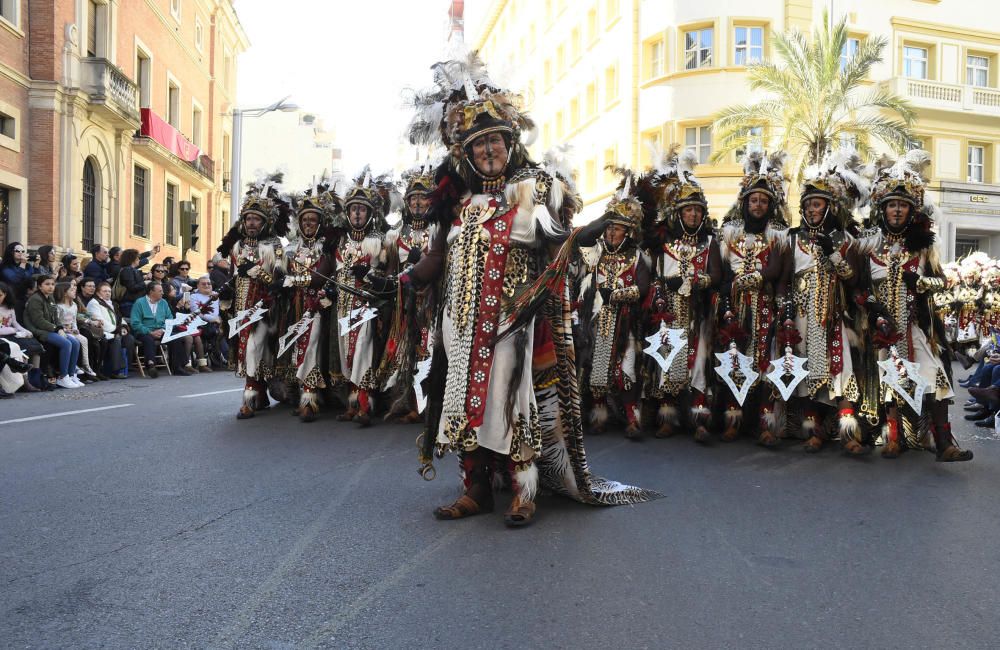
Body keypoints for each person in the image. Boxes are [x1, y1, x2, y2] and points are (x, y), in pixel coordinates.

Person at [403, 53, 657, 526]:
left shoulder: (531, 191)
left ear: (509, 143)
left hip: (510, 322)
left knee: (508, 403)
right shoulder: (457, 203)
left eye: (494, 141)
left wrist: (593, 227)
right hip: (459, 326)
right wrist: (408, 278)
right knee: (461, 403)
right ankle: (474, 488)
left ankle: (524, 492)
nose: (487, 151)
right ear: (466, 154)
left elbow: (559, 241)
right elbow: (437, 257)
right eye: (478, 146)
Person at [856, 150, 972, 462]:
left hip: (917, 328)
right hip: (881, 331)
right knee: (888, 381)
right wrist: (875, 314)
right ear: (883, 209)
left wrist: (920, 283)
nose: (896, 211)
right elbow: (860, 290)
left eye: (903, 206)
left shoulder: (923, 248)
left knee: (935, 378)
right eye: (892, 205)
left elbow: (941, 281)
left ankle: (944, 442)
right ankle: (892, 437)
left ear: (911, 211)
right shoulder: (867, 247)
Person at [775, 148, 867, 454]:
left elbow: (852, 278)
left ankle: (848, 433)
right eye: (809, 205)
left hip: (834, 316)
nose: (813, 210)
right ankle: (816, 432)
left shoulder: (846, 239)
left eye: (818, 204)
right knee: (809, 374)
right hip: (802, 315)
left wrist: (832, 252)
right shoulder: (792, 239)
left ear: (830, 207)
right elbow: (784, 279)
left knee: (840, 372)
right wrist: (784, 309)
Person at [643, 149, 721, 443]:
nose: (693, 214)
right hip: (670, 312)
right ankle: (668, 417)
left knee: (699, 362)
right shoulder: (664, 243)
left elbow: (717, 276)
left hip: (698, 312)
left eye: (697, 210)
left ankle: (701, 419)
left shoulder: (710, 243)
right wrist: (666, 288)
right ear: (679, 213)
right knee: (668, 361)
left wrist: (697, 281)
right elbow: (655, 277)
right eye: (688, 210)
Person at [717, 151, 790, 447]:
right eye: (753, 200)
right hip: (735, 307)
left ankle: (764, 423)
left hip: (765, 309)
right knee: (736, 360)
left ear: (770, 205)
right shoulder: (729, 235)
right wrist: (725, 303)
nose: (757, 205)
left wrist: (757, 280)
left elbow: (777, 271)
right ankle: (733, 419)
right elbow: (721, 274)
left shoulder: (779, 235)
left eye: (763, 200)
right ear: (744, 203)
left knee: (764, 363)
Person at [576, 179, 651, 440]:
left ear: (627, 232)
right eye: (608, 229)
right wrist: (605, 217)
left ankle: (633, 418)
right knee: (597, 370)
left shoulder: (638, 256)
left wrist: (618, 294)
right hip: (597, 322)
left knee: (626, 372)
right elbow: (582, 238)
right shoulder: (595, 253)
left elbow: (642, 288)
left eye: (616, 229)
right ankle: (599, 416)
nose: (610, 234)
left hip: (625, 322)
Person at [216, 172, 288, 417]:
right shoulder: (237, 247)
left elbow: (280, 280)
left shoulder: (274, 246)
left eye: (256, 220)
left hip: (265, 307)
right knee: (247, 350)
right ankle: (259, 393)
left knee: (255, 349)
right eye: (248, 219)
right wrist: (229, 287)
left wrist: (258, 273)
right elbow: (238, 276)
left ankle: (248, 400)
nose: (251, 224)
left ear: (265, 222)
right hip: (241, 307)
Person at [377, 162, 437, 423]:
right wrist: (385, 281)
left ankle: (429, 403)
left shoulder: (439, 230)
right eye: (412, 198)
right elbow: (388, 269)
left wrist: (423, 258)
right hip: (403, 302)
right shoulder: (394, 235)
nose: (417, 203)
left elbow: (443, 264)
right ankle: (407, 401)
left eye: (423, 198)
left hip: (431, 302)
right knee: (404, 351)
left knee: (428, 350)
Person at [329, 170, 389, 427]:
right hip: (343, 307)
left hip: (365, 306)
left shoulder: (378, 240)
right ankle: (353, 403)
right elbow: (336, 271)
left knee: (363, 352)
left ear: (370, 213)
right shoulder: (340, 242)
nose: (356, 214)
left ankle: (365, 404)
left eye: (361, 210)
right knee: (348, 355)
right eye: (353, 209)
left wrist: (370, 275)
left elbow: (385, 273)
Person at [23, 275, 83, 389]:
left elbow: (56, 318)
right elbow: (38, 321)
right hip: (38, 330)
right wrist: (57, 329)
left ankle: (71, 375)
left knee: (75, 342)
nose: (51, 287)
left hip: (51, 329)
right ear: (40, 286)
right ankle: (63, 376)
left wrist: (60, 327)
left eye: (52, 284)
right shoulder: (35, 299)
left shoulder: (50, 297)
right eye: (47, 284)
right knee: (66, 343)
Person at [130, 281, 184, 378]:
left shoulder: (163, 302)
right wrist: (150, 332)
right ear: (151, 292)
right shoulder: (139, 302)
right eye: (160, 291)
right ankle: (151, 365)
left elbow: (170, 319)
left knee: (176, 338)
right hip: (144, 331)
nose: (163, 293)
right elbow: (135, 323)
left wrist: (162, 330)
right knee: (148, 339)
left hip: (161, 330)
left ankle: (177, 367)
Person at [0, 281, 41, 393]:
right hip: (4, 337)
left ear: (6, 295)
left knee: (34, 347)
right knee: (21, 351)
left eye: (0, 295)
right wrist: (13, 330)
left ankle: (34, 380)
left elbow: (15, 323)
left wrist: (25, 331)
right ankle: (25, 382)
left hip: (12, 334)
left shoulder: (9, 308)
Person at [54, 281, 99, 382]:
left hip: (71, 330)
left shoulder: (74, 305)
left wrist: (75, 329)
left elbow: (74, 320)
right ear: (65, 293)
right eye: (72, 290)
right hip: (63, 331)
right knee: (74, 341)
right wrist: (65, 329)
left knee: (83, 339)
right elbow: (57, 322)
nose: (75, 292)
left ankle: (86, 365)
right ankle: (75, 367)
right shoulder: (59, 306)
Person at [86, 281, 132, 379]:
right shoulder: (94, 303)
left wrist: (123, 327)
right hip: (102, 332)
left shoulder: (112, 303)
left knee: (129, 339)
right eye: (105, 291)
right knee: (116, 339)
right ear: (98, 293)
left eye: (109, 291)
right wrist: (116, 330)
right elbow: (100, 321)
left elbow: (119, 318)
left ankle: (125, 368)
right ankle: (114, 370)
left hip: (115, 331)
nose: (108, 293)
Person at [188, 275, 222, 372]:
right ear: (198, 286)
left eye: (209, 283)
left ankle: (223, 359)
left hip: (215, 322)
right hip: (200, 322)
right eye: (203, 284)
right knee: (212, 331)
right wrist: (213, 319)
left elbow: (217, 312)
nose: (207, 285)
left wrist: (217, 320)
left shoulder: (215, 295)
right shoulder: (194, 296)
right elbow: (197, 313)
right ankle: (210, 360)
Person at [1, 242, 37, 309]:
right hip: (10, 300)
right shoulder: (4, 266)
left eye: (23, 251)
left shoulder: (28, 266)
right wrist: (23, 264)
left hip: (25, 299)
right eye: (17, 251)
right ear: (10, 252)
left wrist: (36, 267)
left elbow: (33, 277)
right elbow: (15, 280)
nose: (21, 253)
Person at [114, 249, 148, 317]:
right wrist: (145, 283)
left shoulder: (130, 270)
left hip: (134, 303)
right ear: (132, 259)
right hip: (129, 304)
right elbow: (132, 287)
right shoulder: (127, 270)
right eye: (138, 257)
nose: (139, 259)